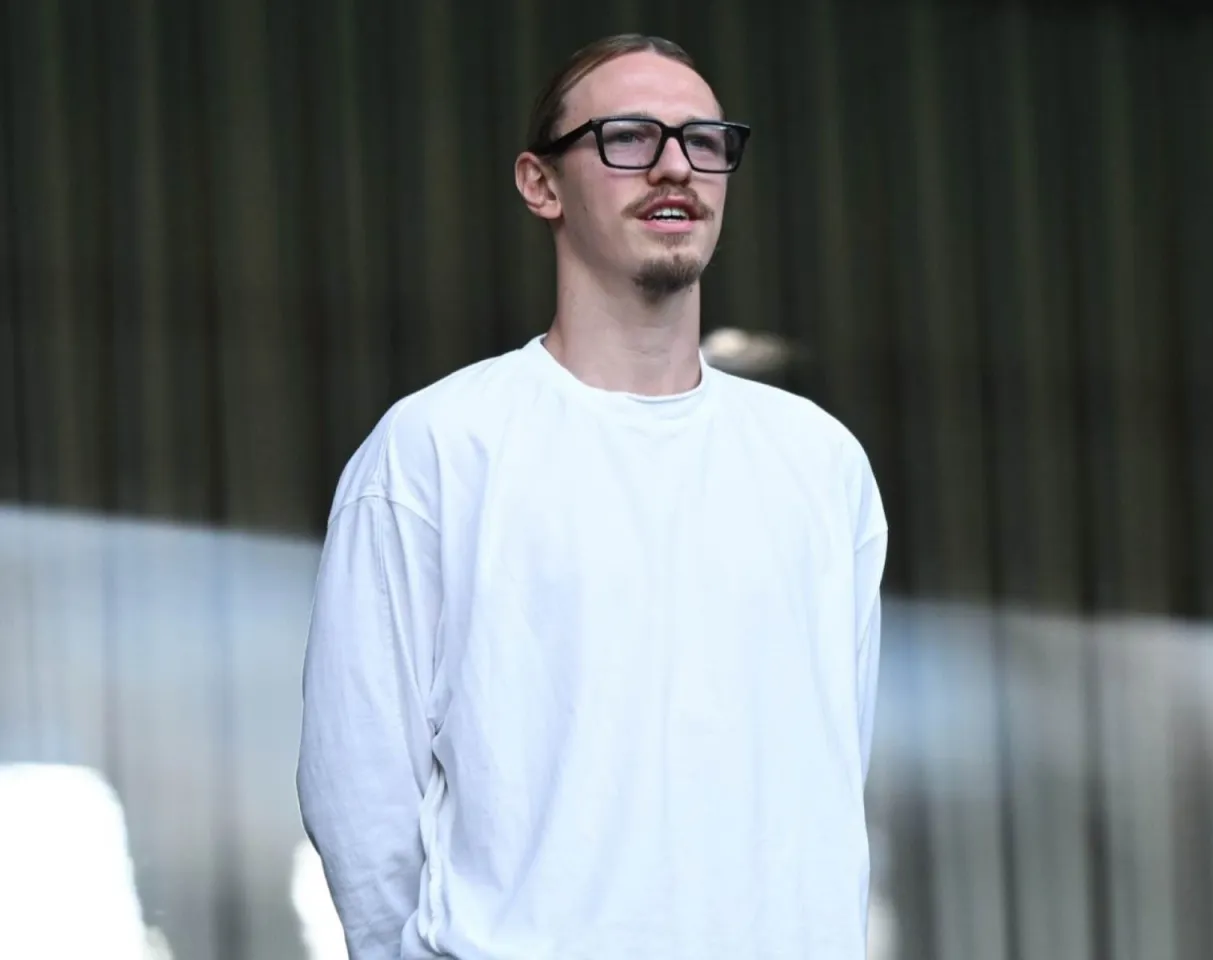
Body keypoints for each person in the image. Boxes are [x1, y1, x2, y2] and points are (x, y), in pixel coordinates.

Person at [298, 33, 888, 960]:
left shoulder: (820, 462)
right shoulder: (438, 447)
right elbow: (359, 787)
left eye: (703, 141)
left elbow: (834, 769)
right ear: (540, 184)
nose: (674, 167)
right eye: (628, 137)